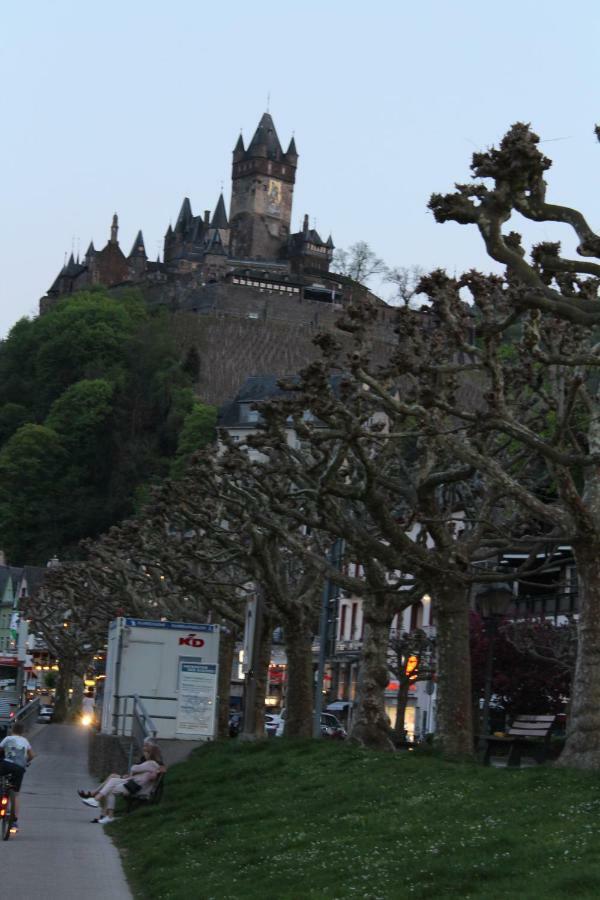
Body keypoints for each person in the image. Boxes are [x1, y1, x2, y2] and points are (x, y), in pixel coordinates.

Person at [80, 742, 163, 824]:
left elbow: (134, 768)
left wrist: (136, 771)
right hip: (133, 783)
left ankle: (107, 814)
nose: (144, 754)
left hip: (136, 788)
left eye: (146, 752)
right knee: (112, 780)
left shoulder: (151, 764)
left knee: (111, 789)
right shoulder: (151, 764)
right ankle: (96, 800)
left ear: (151, 754)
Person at [0, 722, 35, 831]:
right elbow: (31, 755)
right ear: (22, 732)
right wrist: (26, 762)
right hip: (19, 768)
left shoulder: (7, 738)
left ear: (12, 730)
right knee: (15, 794)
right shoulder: (25, 741)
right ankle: (14, 821)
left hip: (6, 764)